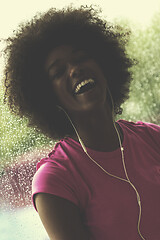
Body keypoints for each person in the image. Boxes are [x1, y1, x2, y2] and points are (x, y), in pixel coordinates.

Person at [3, 5, 160, 240]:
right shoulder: (55, 180)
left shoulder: (153, 137)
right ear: (47, 98)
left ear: (105, 65)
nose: (75, 69)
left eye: (81, 58)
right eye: (58, 72)